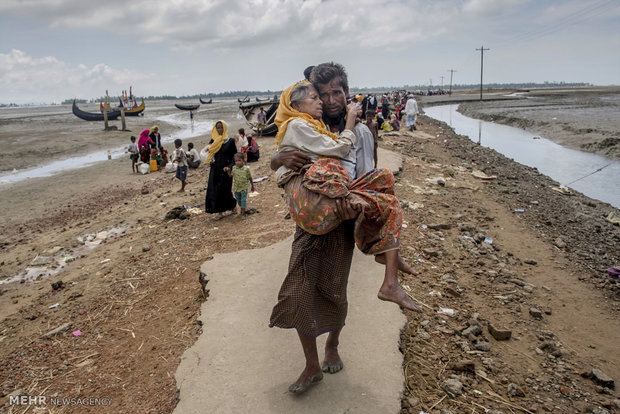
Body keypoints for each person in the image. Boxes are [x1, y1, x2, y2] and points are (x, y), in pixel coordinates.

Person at [269, 62, 420, 395]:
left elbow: (366, 173)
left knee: (334, 290)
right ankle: (310, 366)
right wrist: (280, 160)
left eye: (337, 92)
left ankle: (333, 343)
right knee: (299, 289)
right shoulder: (308, 123)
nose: (330, 99)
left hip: (342, 220)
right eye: (323, 94)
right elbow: (279, 156)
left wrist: (351, 202)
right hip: (310, 221)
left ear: (347, 93)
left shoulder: (361, 132)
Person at [203, 120, 237, 219]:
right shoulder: (213, 140)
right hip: (215, 170)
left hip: (226, 170)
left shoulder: (230, 141)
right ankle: (220, 212)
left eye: (221, 127)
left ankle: (232, 205)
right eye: (218, 127)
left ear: (225, 128)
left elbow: (234, 156)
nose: (219, 129)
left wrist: (230, 167)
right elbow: (209, 152)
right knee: (215, 190)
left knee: (226, 190)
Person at [225, 152, 255, 217]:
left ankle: (243, 213)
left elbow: (250, 177)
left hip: (244, 187)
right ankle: (243, 209)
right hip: (236, 188)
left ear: (243, 160)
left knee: (243, 200)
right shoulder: (234, 168)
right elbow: (231, 176)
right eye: (236, 161)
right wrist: (228, 171)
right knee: (238, 200)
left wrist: (252, 186)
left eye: (239, 160)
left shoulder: (246, 169)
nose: (237, 162)